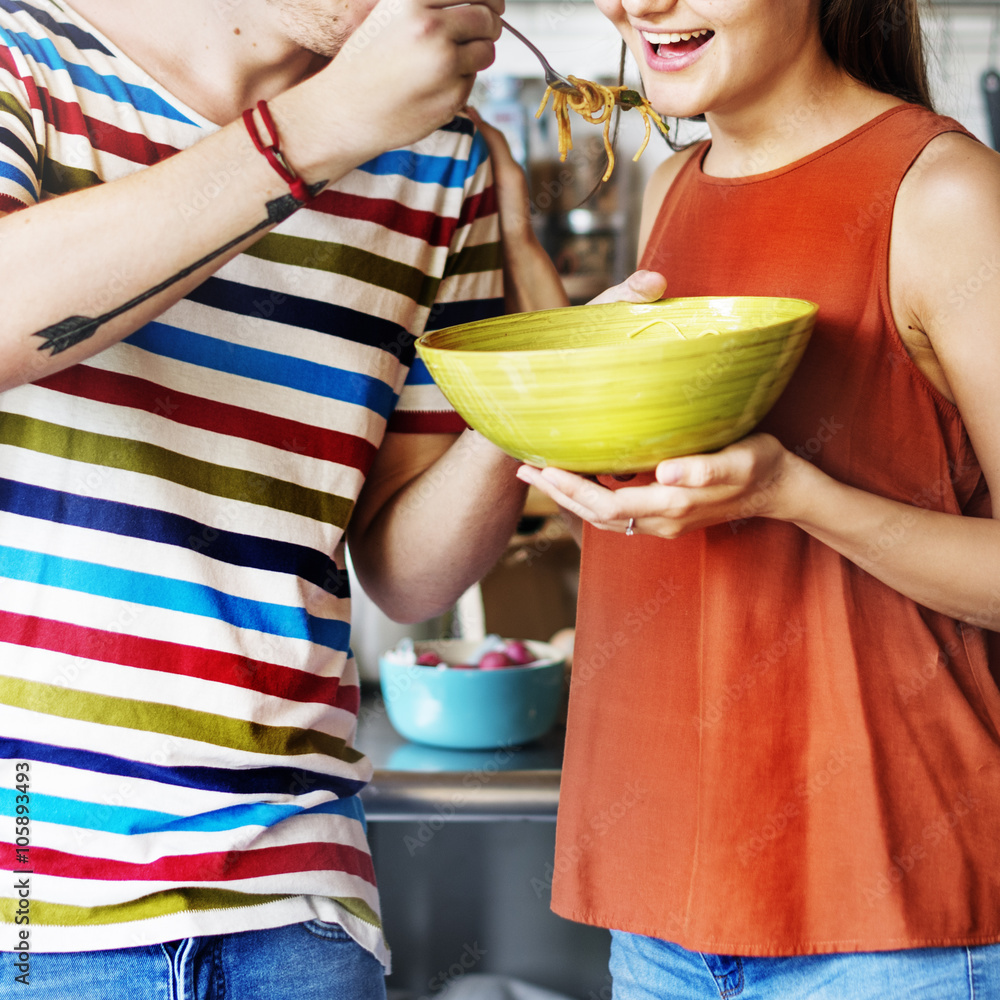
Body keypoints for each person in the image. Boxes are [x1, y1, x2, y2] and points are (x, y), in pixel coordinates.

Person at [478, 0, 1000, 997]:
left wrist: (796, 494)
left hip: (890, 921)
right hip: (664, 913)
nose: (639, 6)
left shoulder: (944, 195)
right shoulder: (670, 184)